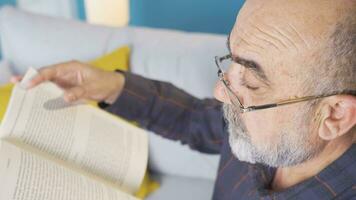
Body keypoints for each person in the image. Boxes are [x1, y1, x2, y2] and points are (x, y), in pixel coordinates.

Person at [13, 0, 356, 199]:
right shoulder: (271, 130)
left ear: (334, 115)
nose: (220, 92)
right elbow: (197, 120)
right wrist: (111, 85)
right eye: (231, 60)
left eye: (250, 81)